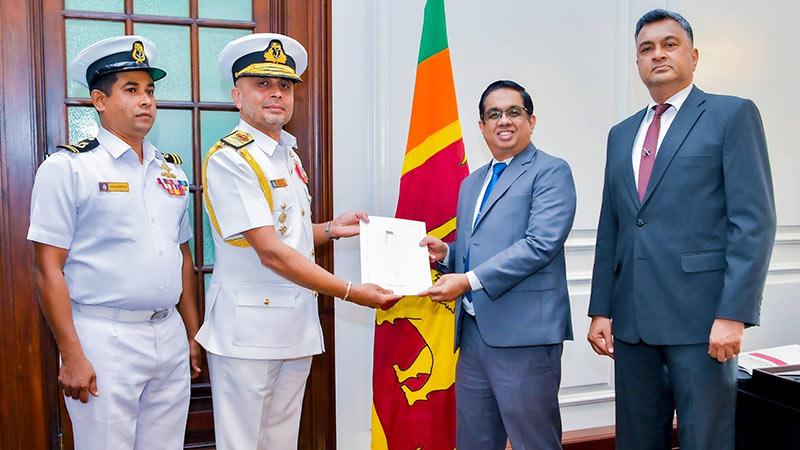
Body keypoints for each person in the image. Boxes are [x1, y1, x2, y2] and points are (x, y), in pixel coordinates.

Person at [196, 33, 401, 449]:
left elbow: (284, 233)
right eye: (263, 84)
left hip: (294, 325)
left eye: (285, 86)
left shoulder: (287, 153)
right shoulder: (231, 159)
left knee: (281, 442)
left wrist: (328, 229)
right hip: (247, 334)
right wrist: (350, 292)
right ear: (237, 95)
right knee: (243, 443)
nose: (277, 94)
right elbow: (270, 251)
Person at [587, 9, 776, 450]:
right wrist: (601, 308)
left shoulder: (732, 115)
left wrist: (734, 313)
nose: (658, 55)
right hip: (631, 326)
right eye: (646, 48)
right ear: (637, 63)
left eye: (669, 44)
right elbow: (612, 225)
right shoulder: (621, 134)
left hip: (703, 323)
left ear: (693, 55)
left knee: (705, 440)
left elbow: (753, 221)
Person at [28, 35, 202, 449]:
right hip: (104, 337)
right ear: (99, 100)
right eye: (131, 90)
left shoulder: (170, 172)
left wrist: (193, 332)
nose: (146, 100)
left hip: (168, 334)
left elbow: (182, 256)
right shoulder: (69, 168)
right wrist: (72, 354)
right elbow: (46, 267)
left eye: (150, 90)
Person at [419, 80, 576, 450]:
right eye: (494, 114)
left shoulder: (551, 172)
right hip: (473, 333)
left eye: (513, 112)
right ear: (482, 126)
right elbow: (480, 247)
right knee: (475, 441)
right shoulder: (472, 183)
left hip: (526, 336)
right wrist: (448, 254)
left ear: (531, 120)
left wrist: (468, 280)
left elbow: (540, 245)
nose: (503, 120)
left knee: (533, 442)